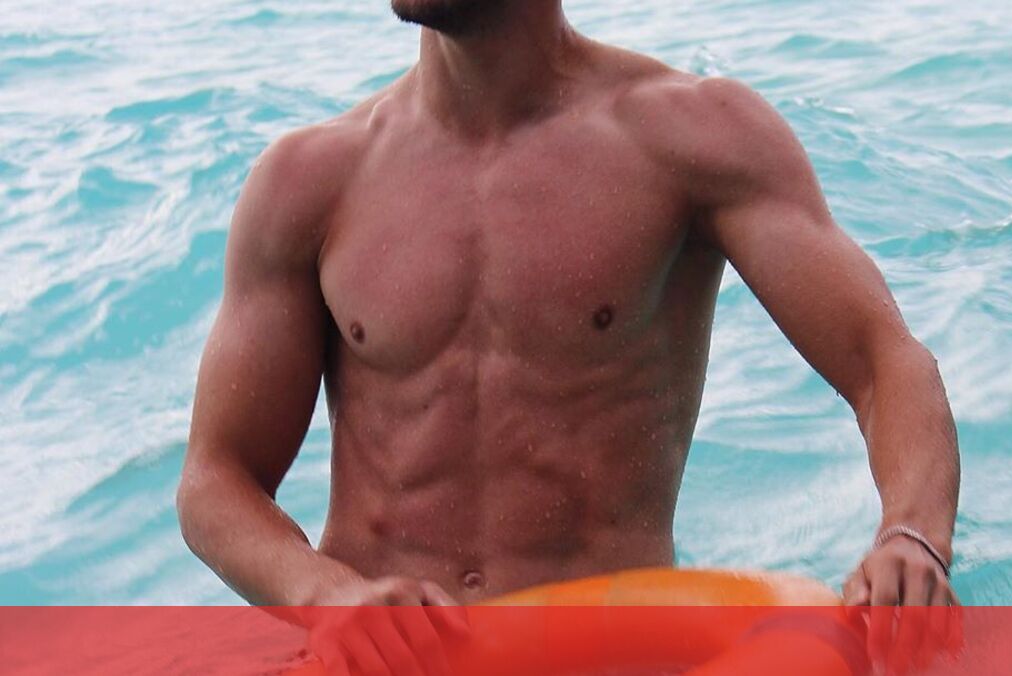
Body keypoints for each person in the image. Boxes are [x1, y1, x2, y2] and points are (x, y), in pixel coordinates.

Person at [178, 0, 961, 672]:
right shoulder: (310, 180)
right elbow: (216, 479)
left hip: (611, 651)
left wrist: (912, 538)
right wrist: (325, 594)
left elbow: (884, 363)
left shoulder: (689, 137)